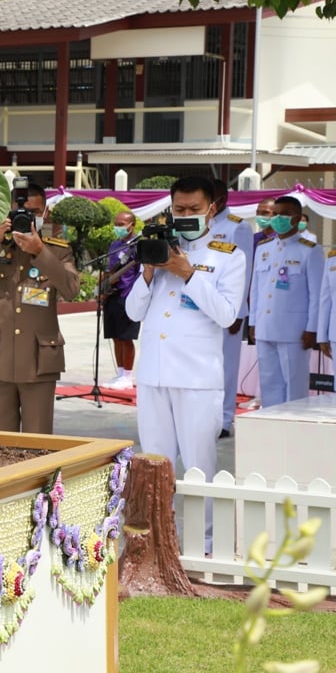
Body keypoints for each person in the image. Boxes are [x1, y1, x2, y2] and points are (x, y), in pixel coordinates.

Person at [125, 176, 245, 549]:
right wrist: (147, 272)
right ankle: (157, 540)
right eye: (179, 209)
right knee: (155, 466)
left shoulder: (228, 256)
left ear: (213, 208)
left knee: (198, 466)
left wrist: (188, 273)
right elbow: (133, 311)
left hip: (196, 378)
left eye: (194, 209)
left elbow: (227, 315)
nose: (186, 215)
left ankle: (201, 544)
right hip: (154, 375)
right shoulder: (159, 248)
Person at [0, 180, 79, 434]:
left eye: (34, 213)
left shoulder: (57, 251)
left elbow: (71, 289)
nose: (27, 219)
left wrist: (40, 252)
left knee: (38, 442)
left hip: (38, 362)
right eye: (20, 213)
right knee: (0, 445)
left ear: (45, 213)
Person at [248, 196, 323, 409]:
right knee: (269, 383)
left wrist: (312, 329)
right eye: (275, 214)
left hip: (295, 332)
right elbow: (256, 289)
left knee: (295, 386)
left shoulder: (309, 250)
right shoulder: (264, 248)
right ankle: (273, 428)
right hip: (265, 327)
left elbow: (316, 294)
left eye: (284, 214)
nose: (278, 219)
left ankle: (294, 428)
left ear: (297, 218)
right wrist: (253, 322)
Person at [209, 179, 255, 437]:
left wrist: (238, 310)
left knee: (227, 366)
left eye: (214, 196)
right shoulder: (203, 224)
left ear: (224, 197)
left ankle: (225, 420)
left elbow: (244, 272)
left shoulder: (238, 227)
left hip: (229, 307)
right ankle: (208, 416)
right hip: (203, 306)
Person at [101, 210, 140, 389]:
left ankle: (128, 375)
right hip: (113, 294)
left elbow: (141, 272)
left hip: (128, 294)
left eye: (122, 224)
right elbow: (109, 269)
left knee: (126, 337)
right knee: (115, 336)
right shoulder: (114, 244)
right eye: (116, 224)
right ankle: (120, 372)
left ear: (132, 225)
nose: (118, 227)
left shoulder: (138, 245)